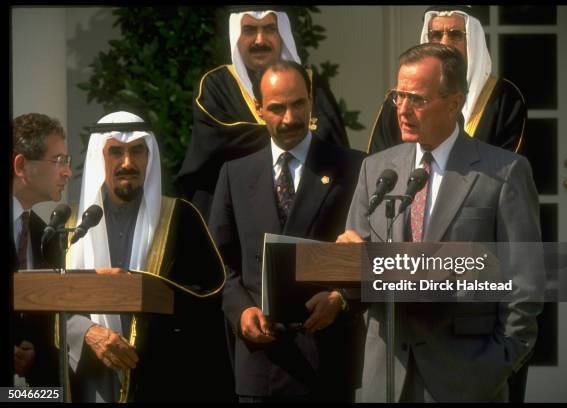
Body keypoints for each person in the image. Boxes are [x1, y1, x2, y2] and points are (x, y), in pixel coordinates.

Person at [337, 43, 542, 402]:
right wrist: (343, 265)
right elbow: (355, 271)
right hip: (385, 377)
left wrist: (499, 362)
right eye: (398, 96)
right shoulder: (377, 169)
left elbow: (524, 285)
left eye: (416, 99)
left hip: (466, 379)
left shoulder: (504, 172)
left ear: (454, 101)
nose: (402, 110)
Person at [209, 60, 365, 402]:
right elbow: (220, 264)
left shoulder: (353, 168)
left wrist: (340, 298)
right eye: (277, 108)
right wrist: (241, 311)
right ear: (259, 108)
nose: (290, 119)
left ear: (311, 101)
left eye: (298, 104)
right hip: (260, 365)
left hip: (328, 363)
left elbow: (368, 255)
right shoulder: (234, 175)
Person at [65, 111, 231, 402]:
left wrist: (142, 292)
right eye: (115, 152)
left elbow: (209, 299)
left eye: (137, 151)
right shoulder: (69, 226)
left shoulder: (181, 218)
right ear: (98, 157)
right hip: (88, 379)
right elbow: (46, 302)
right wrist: (87, 332)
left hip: (160, 379)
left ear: (148, 156)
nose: (127, 163)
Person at [178, 8, 349, 222]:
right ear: (236, 35)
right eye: (249, 30)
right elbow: (217, 146)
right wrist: (297, 135)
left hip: (308, 211)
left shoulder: (311, 84)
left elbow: (333, 143)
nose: (260, 40)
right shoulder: (215, 86)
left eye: (269, 29)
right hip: (234, 214)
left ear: (282, 34)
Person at [368, 6, 526, 155]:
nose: (445, 43)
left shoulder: (505, 99)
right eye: (436, 35)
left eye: (455, 35)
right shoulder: (397, 103)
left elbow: (506, 169)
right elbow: (379, 164)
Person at [11, 113, 72, 387]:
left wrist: (35, 354)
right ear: (21, 165)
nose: (67, 171)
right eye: (58, 160)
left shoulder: (42, 234)